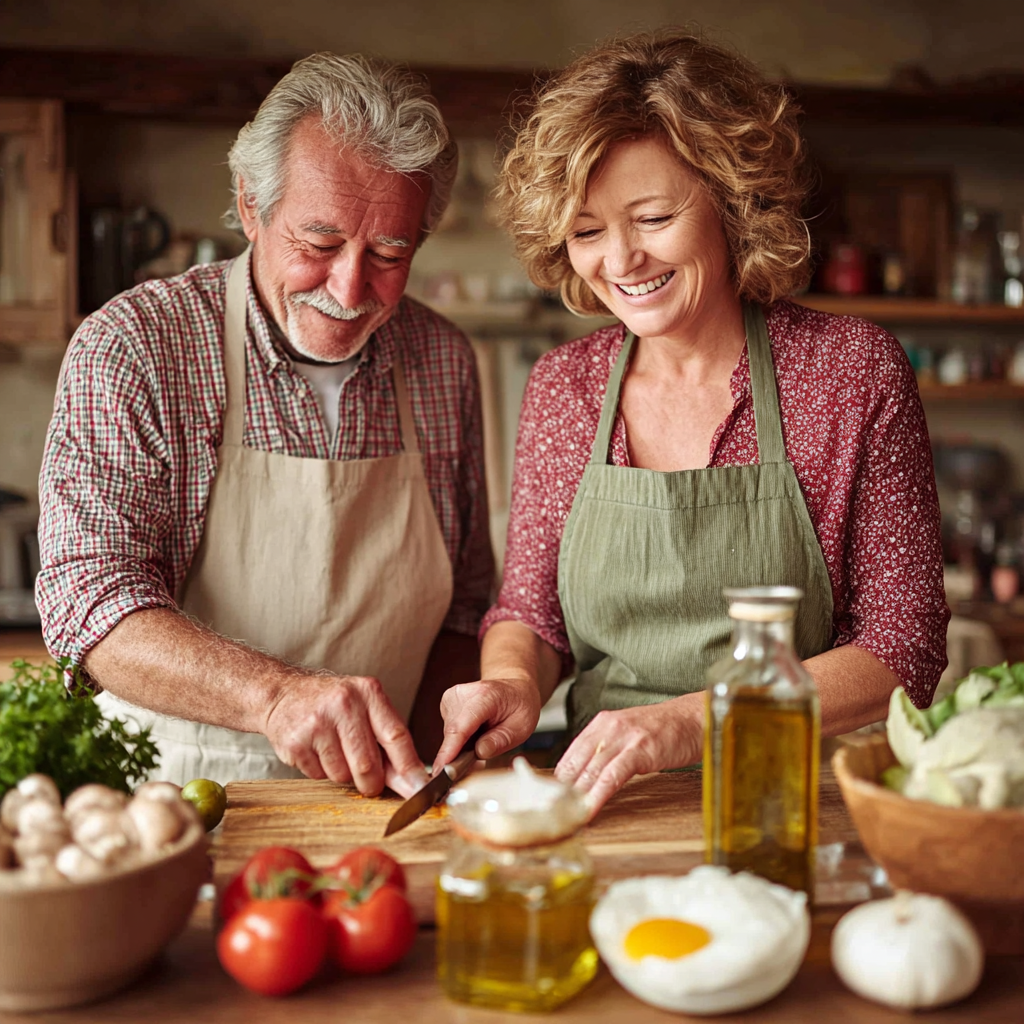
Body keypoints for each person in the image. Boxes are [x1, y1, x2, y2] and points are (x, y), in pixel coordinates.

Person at [434, 30, 949, 814]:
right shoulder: (564, 387)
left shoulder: (850, 372)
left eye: (651, 217)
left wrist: (688, 724)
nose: (620, 260)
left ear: (732, 202)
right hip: (608, 800)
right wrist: (508, 683)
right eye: (586, 231)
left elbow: (903, 648)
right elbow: (531, 615)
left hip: (800, 799)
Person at [36, 53, 493, 795]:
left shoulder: (441, 358)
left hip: (380, 796)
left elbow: (467, 607)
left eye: (389, 251)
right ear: (250, 206)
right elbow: (89, 601)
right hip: (173, 795)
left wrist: (441, 751)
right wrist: (277, 695)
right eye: (318, 245)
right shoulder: (138, 345)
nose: (350, 288)